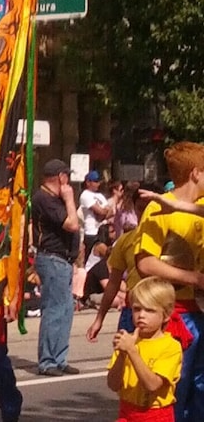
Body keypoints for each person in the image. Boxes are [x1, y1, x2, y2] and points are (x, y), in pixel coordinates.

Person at [134, 142, 204, 422]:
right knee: (175, 387)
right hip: (176, 314)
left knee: (201, 390)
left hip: (200, 313)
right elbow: (145, 262)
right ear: (196, 174)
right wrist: (194, 278)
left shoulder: (195, 207)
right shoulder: (157, 209)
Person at [107, 277, 182, 422]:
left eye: (149, 310)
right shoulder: (127, 341)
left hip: (156, 414)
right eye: (137, 309)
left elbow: (153, 385)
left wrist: (132, 351)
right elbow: (113, 384)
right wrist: (122, 355)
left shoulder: (171, 346)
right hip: (127, 411)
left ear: (165, 315)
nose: (141, 315)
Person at [33, 158, 81, 376]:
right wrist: (70, 198)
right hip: (52, 258)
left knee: (66, 311)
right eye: (67, 176)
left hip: (63, 260)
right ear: (61, 177)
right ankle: (48, 360)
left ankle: (59, 358)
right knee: (54, 310)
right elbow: (71, 224)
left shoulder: (55, 199)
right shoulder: (45, 198)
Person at [80, 170, 112, 255]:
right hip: (91, 232)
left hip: (103, 231)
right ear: (88, 182)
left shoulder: (100, 196)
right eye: (95, 181)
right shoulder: (85, 195)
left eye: (98, 182)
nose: (98, 184)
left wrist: (103, 213)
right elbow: (101, 211)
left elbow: (111, 211)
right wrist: (103, 212)